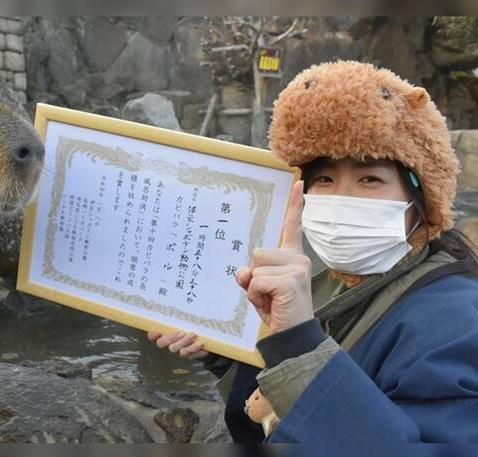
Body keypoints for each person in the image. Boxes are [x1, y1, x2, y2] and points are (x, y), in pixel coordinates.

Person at [147, 60, 478, 443]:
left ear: (421, 200)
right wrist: (219, 352)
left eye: (370, 178)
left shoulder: (457, 322)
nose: (341, 197)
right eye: (324, 179)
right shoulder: (330, 284)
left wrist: (300, 346)